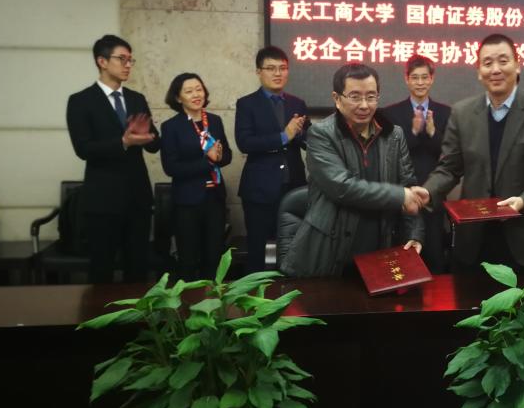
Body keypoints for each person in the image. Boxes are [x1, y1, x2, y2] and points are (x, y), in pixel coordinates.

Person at [422, 33, 524, 275]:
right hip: (474, 240)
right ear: (479, 71)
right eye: (487, 63)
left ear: (517, 65)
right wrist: (427, 191)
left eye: (503, 61)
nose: (496, 69)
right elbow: (449, 167)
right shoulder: (462, 113)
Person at [279, 63, 424, 278]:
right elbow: (342, 187)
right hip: (331, 251)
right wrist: (400, 195)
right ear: (337, 99)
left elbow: (408, 186)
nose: (364, 105)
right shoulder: (321, 134)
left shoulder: (394, 135)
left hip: (380, 248)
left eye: (371, 97)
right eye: (355, 97)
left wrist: (414, 233)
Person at [66, 34, 160, 284]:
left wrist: (147, 137)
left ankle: (138, 310)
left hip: (138, 197)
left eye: (131, 60)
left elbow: (155, 144)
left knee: (137, 267)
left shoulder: (136, 99)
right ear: (102, 61)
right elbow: (83, 148)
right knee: (102, 268)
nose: (128, 65)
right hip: (103, 199)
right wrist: (123, 142)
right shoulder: (81, 101)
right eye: (122, 59)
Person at [235, 46, 309, 273]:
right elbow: (245, 142)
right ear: (259, 72)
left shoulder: (297, 103)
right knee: (258, 249)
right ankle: (257, 292)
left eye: (283, 68)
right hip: (259, 189)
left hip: (294, 186)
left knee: (294, 247)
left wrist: (301, 135)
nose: (278, 73)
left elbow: (307, 140)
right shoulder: (247, 104)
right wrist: (283, 136)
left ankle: (290, 291)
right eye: (271, 68)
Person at [159, 73, 233, 280]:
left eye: (199, 89)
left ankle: (213, 299)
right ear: (178, 97)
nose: (196, 95)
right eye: (189, 91)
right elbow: (171, 167)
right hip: (187, 202)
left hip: (215, 198)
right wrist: (207, 161)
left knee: (214, 258)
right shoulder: (171, 127)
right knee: (188, 260)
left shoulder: (215, 121)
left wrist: (219, 157)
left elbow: (227, 155)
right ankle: (188, 299)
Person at [382, 54, 451, 272]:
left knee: (434, 250)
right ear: (407, 79)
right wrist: (412, 132)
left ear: (432, 79)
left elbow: (449, 155)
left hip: (433, 189)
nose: (420, 82)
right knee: (403, 252)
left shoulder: (446, 112)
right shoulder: (390, 113)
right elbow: (390, 153)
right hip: (401, 189)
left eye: (424, 77)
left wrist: (432, 132)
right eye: (415, 77)